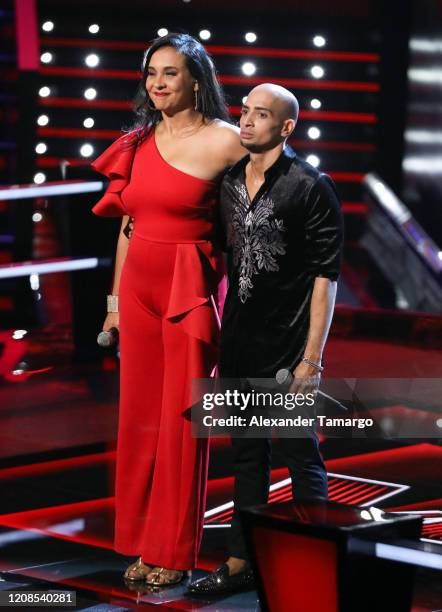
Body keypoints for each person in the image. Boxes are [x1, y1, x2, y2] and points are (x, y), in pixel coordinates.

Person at [91, 33, 244, 587]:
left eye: (170, 72)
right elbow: (127, 230)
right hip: (137, 292)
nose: (157, 82)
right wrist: (112, 305)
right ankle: (140, 543)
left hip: (191, 291)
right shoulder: (135, 143)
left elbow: (256, 226)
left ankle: (173, 552)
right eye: (152, 72)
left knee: (181, 425)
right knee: (138, 421)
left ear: (196, 79)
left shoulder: (229, 142)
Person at [187, 83, 343, 596]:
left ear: (287, 127)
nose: (246, 121)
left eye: (261, 114)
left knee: (301, 457)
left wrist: (311, 361)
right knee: (247, 458)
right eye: (245, 111)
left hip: (289, 350)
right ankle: (241, 561)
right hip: (239, 344)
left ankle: (312, 562)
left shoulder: (310, 185)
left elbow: (325, 276)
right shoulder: (228, 181)